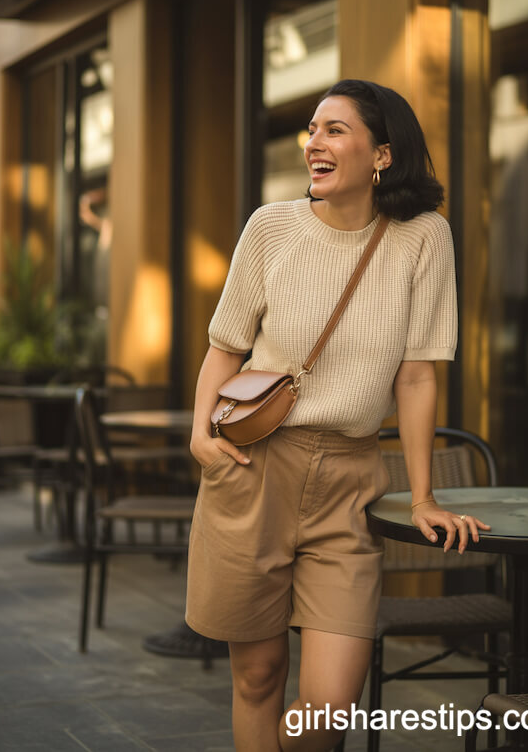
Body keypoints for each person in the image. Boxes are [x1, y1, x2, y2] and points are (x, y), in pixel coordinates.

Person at [185, 79, 490, 752]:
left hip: (349, 483)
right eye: (312, 130)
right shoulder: (271, 228)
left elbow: (416, 375)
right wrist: (200, 436)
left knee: (328, 709)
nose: (313, 143)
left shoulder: (423, 239)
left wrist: (422, 497)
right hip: (254, 470)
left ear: (382, 155)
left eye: (333, 130)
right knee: (260, 676)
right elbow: (222, 350)